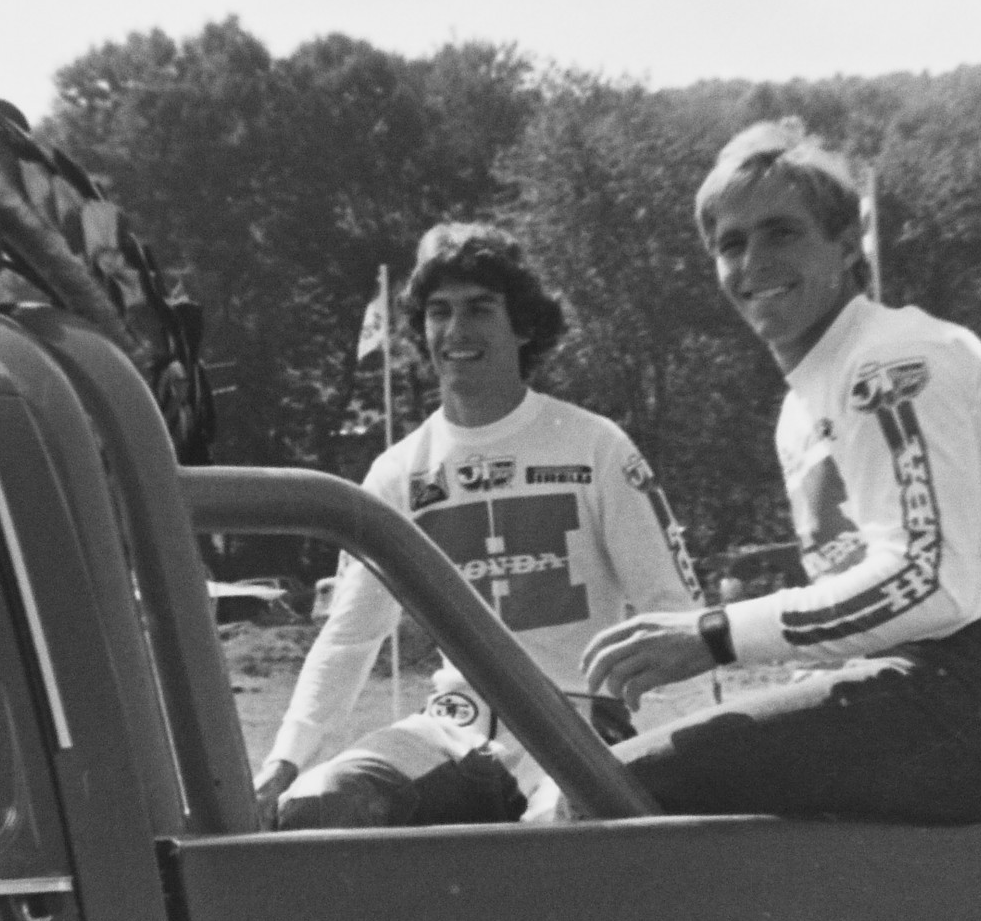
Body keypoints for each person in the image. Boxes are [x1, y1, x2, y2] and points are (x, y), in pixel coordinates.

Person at [580, 124, 981, 823]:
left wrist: (714, 635)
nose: (754, 261)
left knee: (591, 793)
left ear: (847, 246)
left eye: (781, 233)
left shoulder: (890, 361)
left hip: (966, 700)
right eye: (731, 243)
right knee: (627, 787)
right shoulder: (807, 401)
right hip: (935, 699)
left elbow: (926, 584)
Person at [256, 222, 702, 828]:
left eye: (479, 308)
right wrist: (284, 760)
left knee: (566, 823)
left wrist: (699, 756)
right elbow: (350, 638)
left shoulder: (597, 445)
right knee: (320, 805)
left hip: (579, 723)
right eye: (439, 312)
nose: (456, 330)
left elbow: (670, 608)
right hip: (455, 723)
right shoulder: (397, 472)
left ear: (523, 326)